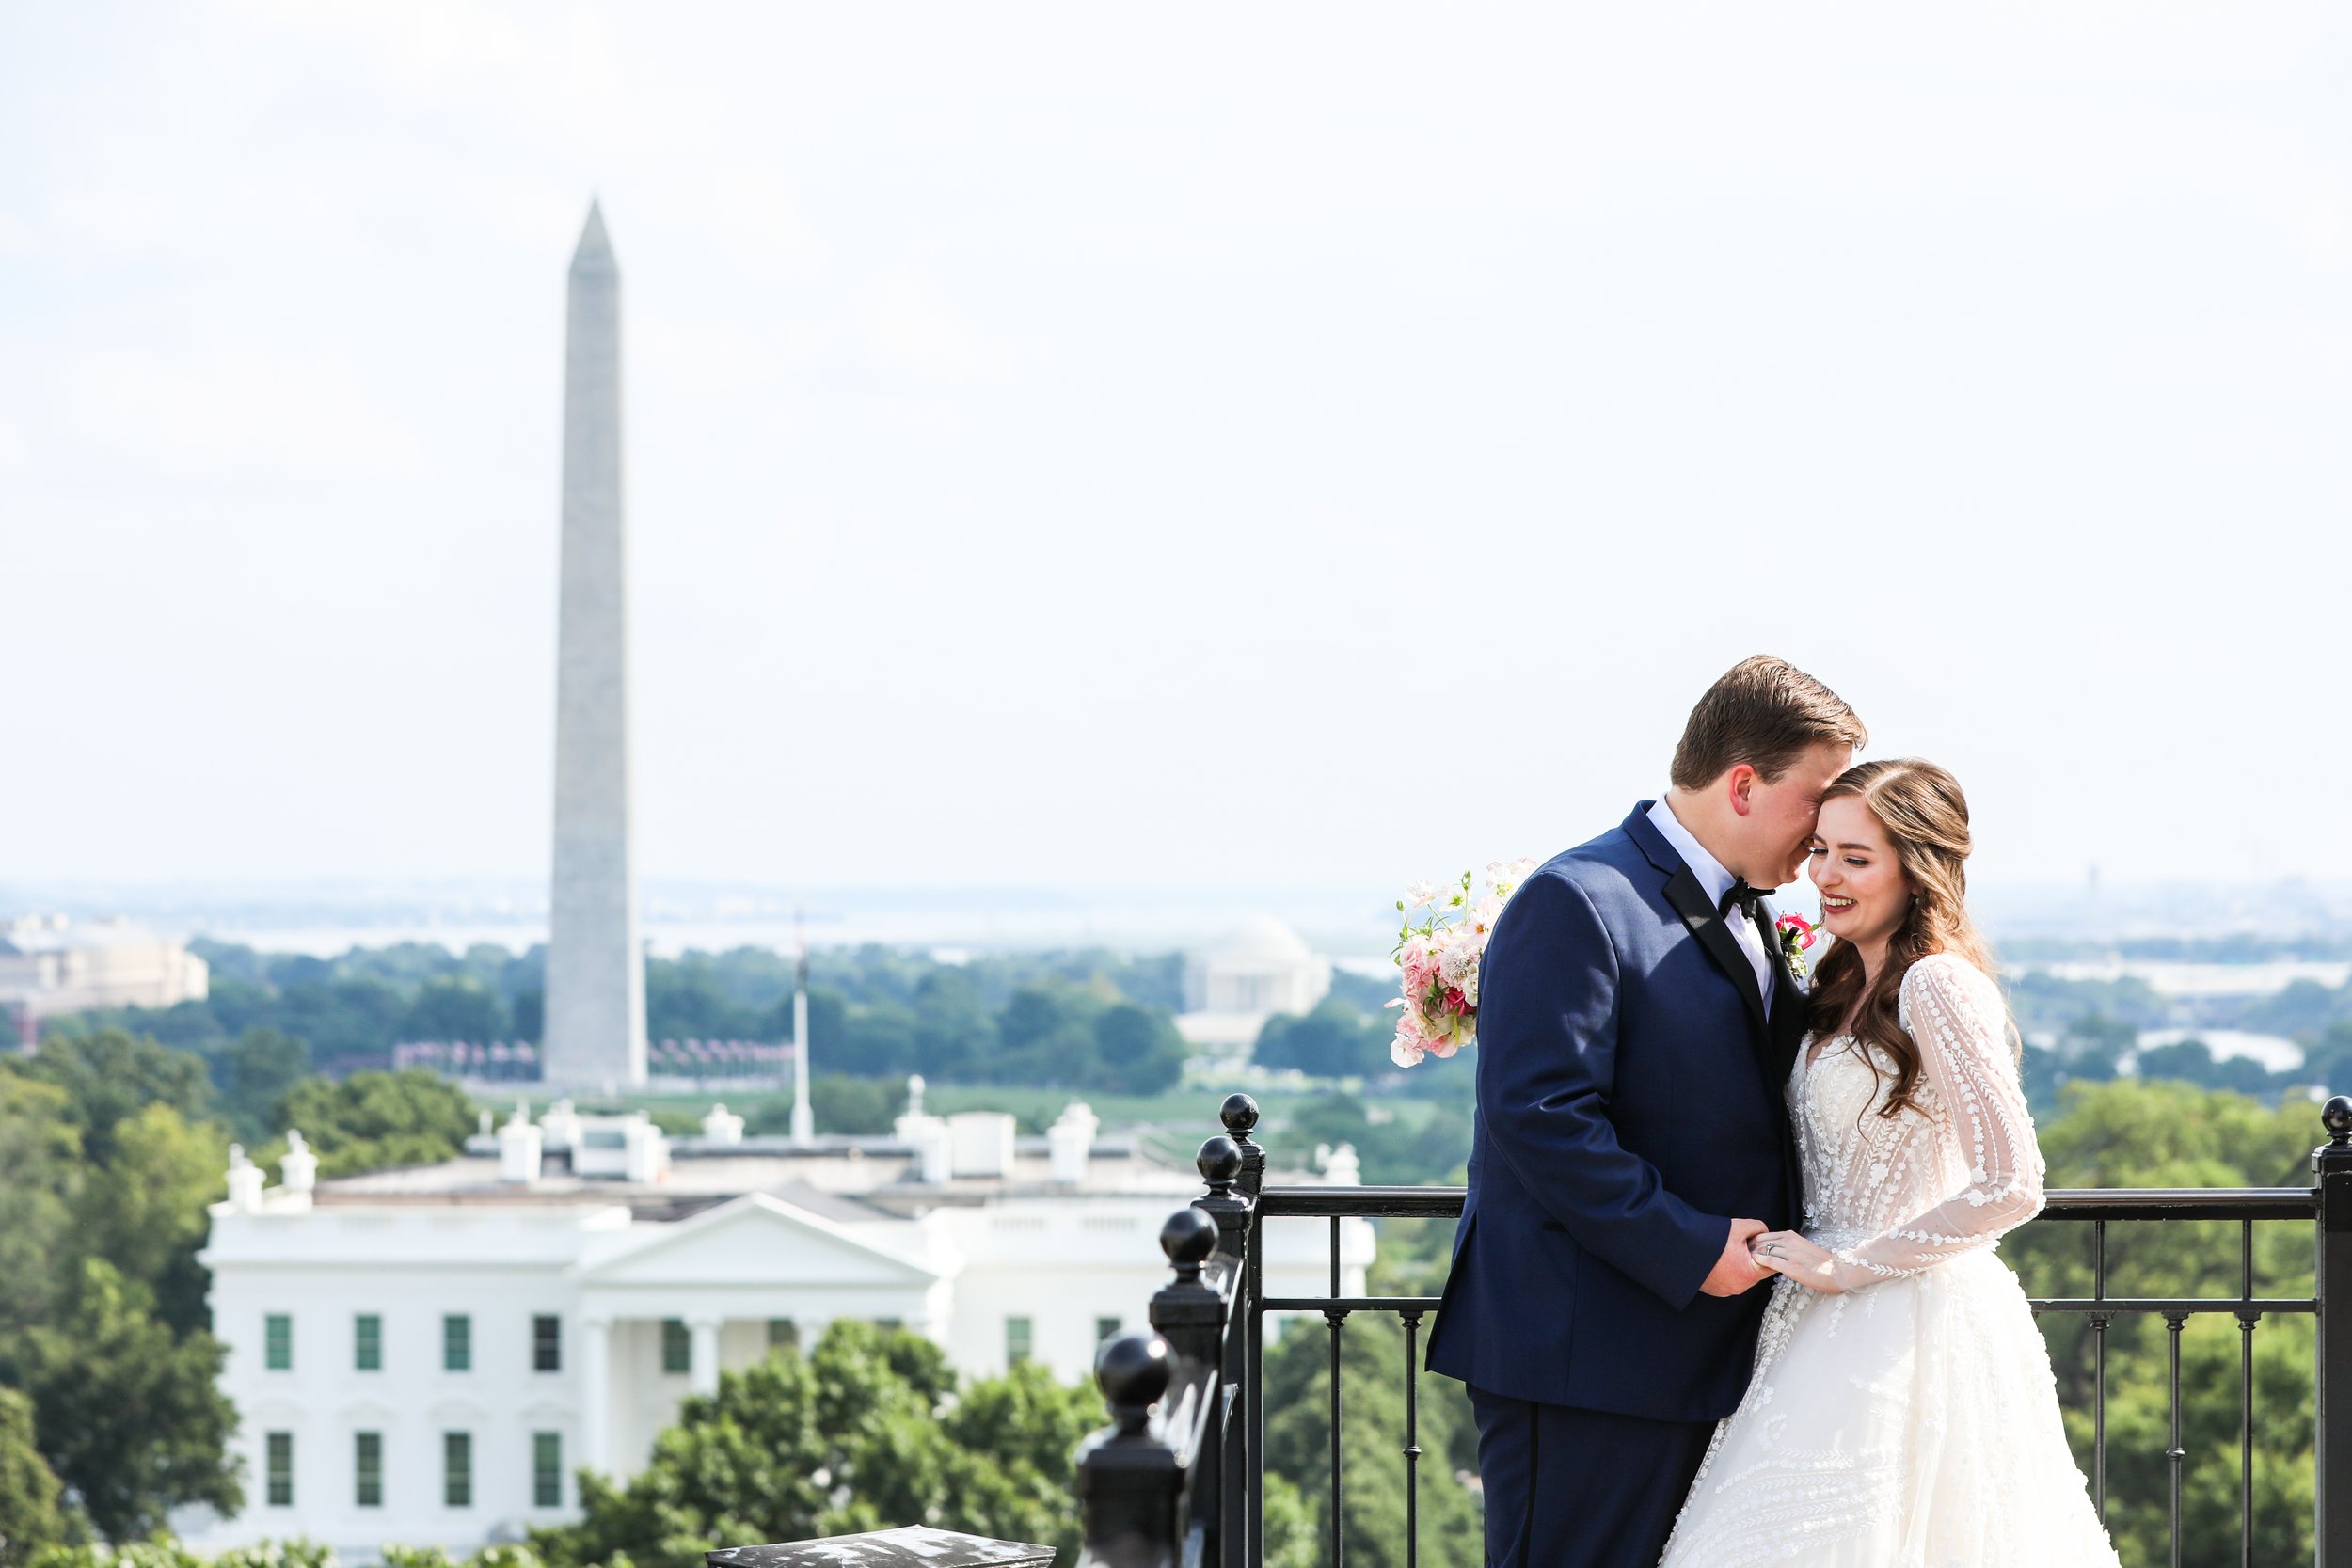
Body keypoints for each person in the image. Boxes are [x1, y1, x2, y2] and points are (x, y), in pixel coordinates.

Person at [1424, 655, 1864, 1568]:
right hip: (1589, 1361)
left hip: (1708, 1354)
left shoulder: (1746, 911)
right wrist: (1691, 1245)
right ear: (1742, 783)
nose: (1825, 829)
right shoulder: (1579, 897)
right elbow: (1540, 1113)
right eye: (1814, 799)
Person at [1658, 758, 2122, 1566]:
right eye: (1821, 850)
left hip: (1909, 1321)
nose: (1825, 876)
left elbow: (2014, 1182)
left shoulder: (1938, 984)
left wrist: (1850, 1265)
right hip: (1813, 1316)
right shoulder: (1840, 980)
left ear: (1918, 868)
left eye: (1856, 858)